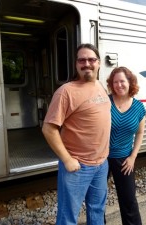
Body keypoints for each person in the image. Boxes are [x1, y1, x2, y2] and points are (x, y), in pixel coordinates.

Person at [42, 43, 111, 225]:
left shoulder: (100, 85)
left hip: (101, 164)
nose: (86, 63)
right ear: (76, 64)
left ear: (98, 63)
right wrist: (67, 159)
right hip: (78, 166)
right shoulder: (66, 92)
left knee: (97, 209)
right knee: (68, 217)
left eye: (91, 59)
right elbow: (49, 129)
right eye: (82, 60)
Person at [106, 66, 146, 225]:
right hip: (101, 158)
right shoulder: (105, 102)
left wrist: (133, 157)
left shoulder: (138, 107)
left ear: (130, 82)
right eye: (115, 82)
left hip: (124, 159)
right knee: (97, 199)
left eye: (122, 81)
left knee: (128, 199)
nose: (119, 85)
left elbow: (140, 133)